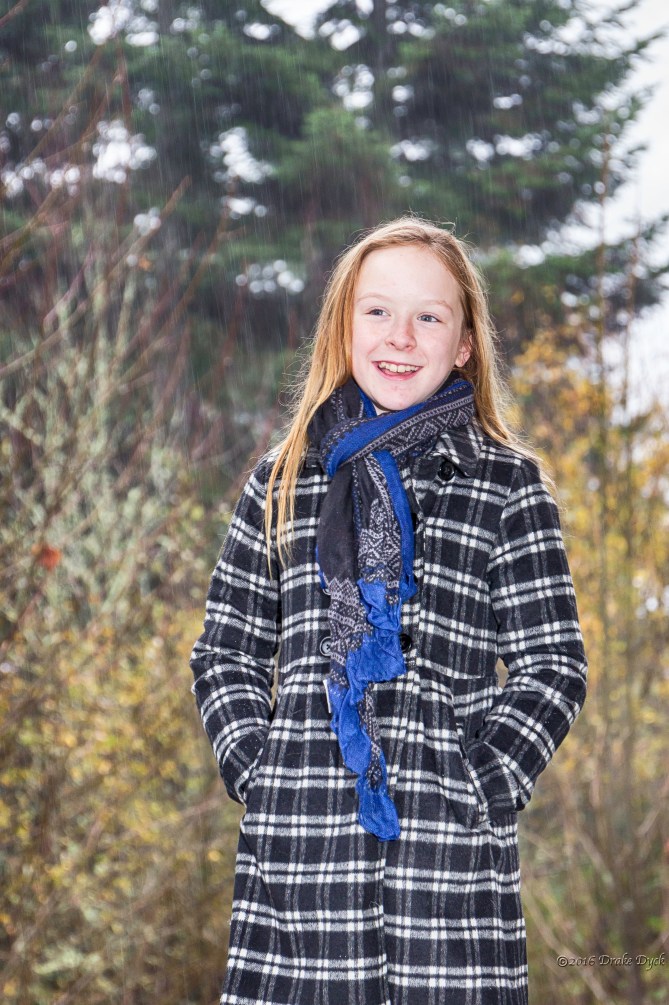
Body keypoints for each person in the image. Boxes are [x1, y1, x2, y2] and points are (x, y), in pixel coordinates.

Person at [189, 217, 587, 1005]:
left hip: (447, 868)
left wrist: (482, 781)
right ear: (344, 324)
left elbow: (552, 665)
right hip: (298, 860)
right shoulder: (282, 479)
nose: (399, 336)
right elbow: (226, 651)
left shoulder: (505, 486)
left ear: (464, 343)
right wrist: (258, 770)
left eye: (428, 316)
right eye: (377, 311)